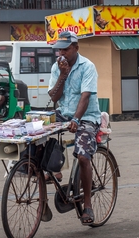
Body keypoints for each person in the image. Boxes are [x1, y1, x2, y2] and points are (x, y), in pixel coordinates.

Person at [48, 31, 101, 225]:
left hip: (87, 116)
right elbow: (54, 97)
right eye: (59, 49)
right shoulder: (57, 67)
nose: (61, 53)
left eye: (66, 49)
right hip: (64, 113)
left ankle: (87, 205)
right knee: (38, 142)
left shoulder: (87, 66)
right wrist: (63, 75)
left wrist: (77, 120)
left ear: (76, 48)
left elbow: (85, 97)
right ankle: (48, 187)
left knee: (83, 156)